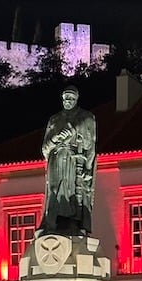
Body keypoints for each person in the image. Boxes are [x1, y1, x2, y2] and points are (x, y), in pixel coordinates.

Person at [37, 84, 97, 236]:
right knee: (54, 190)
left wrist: (87, 168)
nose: (68, 101)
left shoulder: (86, 118)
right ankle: (52, 221)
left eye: (71, 98)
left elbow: (91, 147)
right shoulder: (54, 119)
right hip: (56, 159)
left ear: (77, 99)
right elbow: (44, 149)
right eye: (65, 98)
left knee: (72, 190)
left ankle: (72, 221)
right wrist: (56, 138)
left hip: (74, 159)